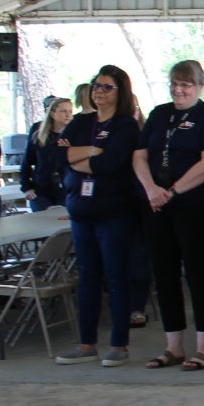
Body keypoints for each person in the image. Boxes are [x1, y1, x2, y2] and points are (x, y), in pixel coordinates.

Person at [134, 60, 204, 372]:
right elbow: (139, 154)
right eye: (175, 83)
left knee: (197, 273)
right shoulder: (160, 114)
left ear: (198, 87)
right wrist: (150, 189)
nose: (179, 89)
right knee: (164, 274)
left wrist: (173, 191)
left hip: (195, 205)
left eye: (186, 85)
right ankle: (173, 346)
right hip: (157, 205)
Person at [55, 67, 143, 368]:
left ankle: (119, 344)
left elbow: (112, 164)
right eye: (96, 86)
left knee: (116, 277)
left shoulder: (126, 126)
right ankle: (86, 343)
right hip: (81, 212)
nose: (99, 91)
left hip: (114, 213)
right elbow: (57, 156)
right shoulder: (81, 122)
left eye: (107, 87)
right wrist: (92, 151)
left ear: (120, 93)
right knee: (87, 279)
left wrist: (79, 158)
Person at [21, 97, 74, 211]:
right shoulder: (39, 134)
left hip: (66, 190)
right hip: (41, 190)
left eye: (70, 111)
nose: (68, 115)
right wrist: (26, 187)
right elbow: (26, 162)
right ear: (53, 113)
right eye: (63, 111)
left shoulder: (73, 136)